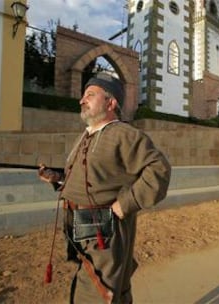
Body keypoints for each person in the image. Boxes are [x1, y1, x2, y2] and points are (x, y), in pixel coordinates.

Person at [38, 72, 171, 303]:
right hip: (81, 226)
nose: (82, 100)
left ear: (111, 103)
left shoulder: (124, 134)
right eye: (83, 95)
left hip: (105, 230)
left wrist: (125, 204)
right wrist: (58, 178)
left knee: (96, 293)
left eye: (90, 94)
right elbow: (91, 177)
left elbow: (159, 169)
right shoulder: (86, 136)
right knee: (112, 290)